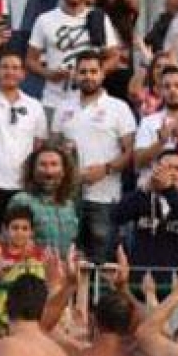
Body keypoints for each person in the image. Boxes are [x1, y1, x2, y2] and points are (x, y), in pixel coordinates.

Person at [52, 50, 137, 264]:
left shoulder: (118, 108)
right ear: (75, 74)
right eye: (83, 72)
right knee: (69, 261)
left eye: (93, 71)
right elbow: (52, 149)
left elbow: (130, 151)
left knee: (102, 263)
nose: (88, 76)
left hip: (105, 197)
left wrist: (106, 169)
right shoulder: (63, 107)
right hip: (68, 198)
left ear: (102, 74)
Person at [0, 28, 49, 218]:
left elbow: (38, 147)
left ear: (23, 74)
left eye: (15, 68)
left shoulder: (35, 106)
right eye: (5, 67)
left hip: (21, 187)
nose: (10, 72)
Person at [27, 0, 121, 115]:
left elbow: (114, 56)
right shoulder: (44, 19)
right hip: (54, 101)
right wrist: (49, 74)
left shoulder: (99, 18)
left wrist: (93, 74)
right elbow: (30, 60)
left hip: (91, 100)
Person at [113, 149, 178, 272]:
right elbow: (117, 216)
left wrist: (169, 191)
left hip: (177, 277)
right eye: (167, 168)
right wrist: (145, 189)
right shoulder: (142, 197)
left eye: (177, 169)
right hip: (141, 276)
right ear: (155, 170)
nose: (171, 173)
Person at [7, 146, 80, 254]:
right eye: (43, 165)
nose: (49, 171)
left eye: (54, 164)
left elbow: (73, 244)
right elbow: (8, 245)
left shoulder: (69, 205)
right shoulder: (21, 201)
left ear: (64, 171)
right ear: (32, 170)